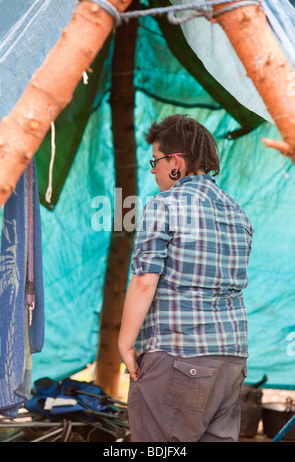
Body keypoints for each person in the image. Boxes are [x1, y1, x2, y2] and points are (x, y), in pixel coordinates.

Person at [118, 114, 253, 442]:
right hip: (231, 362)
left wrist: (125, 343)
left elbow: (144, 280)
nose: (153, 170)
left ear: (175, 162)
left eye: (156, 160)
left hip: (178, 358)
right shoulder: (238, 213)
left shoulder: (163, 205)